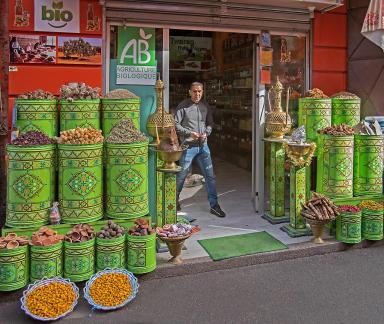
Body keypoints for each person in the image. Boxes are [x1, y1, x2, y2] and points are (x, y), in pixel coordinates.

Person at [174, 82, 226, 218]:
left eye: (200, 91)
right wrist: (189, 133)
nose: (197, 94)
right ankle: (173, 202)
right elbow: (175, 125)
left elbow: (210, 123)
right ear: (189, 92)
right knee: (181, 176)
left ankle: (214, 206)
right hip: (188, 147)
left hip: (203, 146)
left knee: (210, 177)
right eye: (195, 91)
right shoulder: (183, 106)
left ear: (202, 92)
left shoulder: (205, 106)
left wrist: (207, 133)